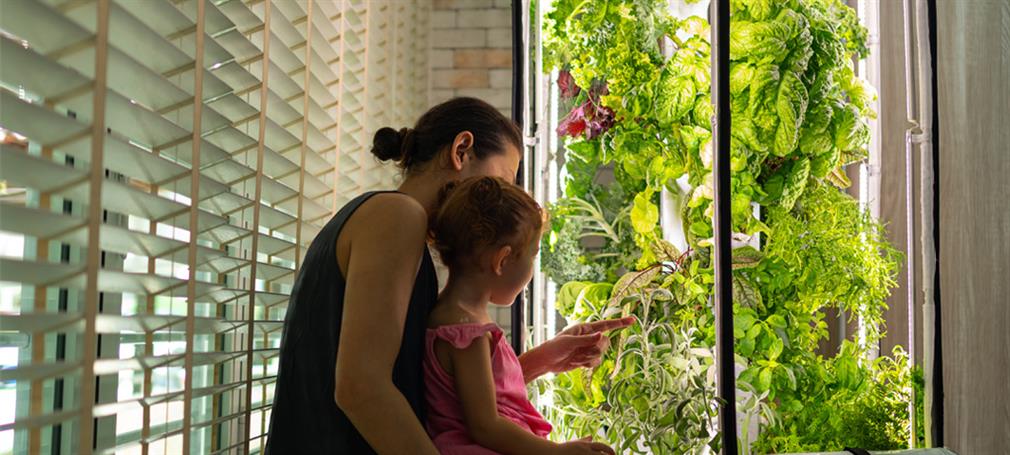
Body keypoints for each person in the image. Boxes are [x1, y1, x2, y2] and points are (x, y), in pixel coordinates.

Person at [266, 98, 633, 454]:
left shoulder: (398, 226)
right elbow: (362, 389)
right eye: (503, 180)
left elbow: (448, 392)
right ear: (461, 150)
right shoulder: (396, 216)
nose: (503, 199)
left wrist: (544, 360)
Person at [425, 176, 618, 454]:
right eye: (533, 255)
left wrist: (546, 357)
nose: (532, 270)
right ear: (502, 260)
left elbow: (486, 392)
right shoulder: (465, 333)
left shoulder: (456, 316)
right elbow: (486, 426)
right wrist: (557, 452)